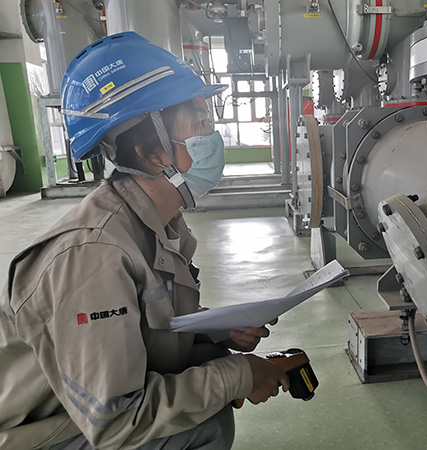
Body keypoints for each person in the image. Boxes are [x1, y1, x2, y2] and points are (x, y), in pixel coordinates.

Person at [0, 32, 289, 450]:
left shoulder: (154, 223)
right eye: (200, 123)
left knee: (208, 365)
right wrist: (241, 375)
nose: (212, 135)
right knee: (204, 421)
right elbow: (116, 420)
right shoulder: (93, 255)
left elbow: (141, 326)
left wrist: (217, 331)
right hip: (36, 434)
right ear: (152, 152)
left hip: (74, 412)